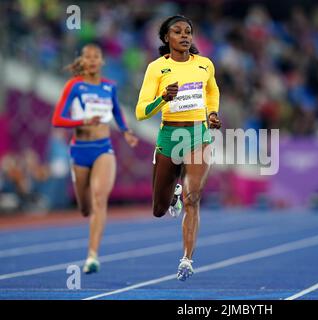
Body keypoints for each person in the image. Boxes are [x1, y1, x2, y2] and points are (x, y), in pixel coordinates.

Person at [135, 15, 221, 281]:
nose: (184, 36)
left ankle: (186, 259)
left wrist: (213, 113)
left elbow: (212, 91)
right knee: (159, 209)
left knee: (192, 198)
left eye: (188, 32)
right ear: (166, 38)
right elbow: (140, 112)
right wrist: (163, 98)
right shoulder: (156, 68)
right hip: (169, 136)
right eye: (177, 31)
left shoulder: (204, 65)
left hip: (198, 134)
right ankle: (172, 193)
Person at [52, 44, 138, 274]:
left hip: (103, 149)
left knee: (100, 199)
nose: (91, 60)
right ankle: (85, 209)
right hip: (80, 150)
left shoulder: (110, 86)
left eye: (96, 57)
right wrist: (82, 122)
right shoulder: (75, 86)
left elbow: (118, 112)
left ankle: (92, 255)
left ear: (102, 61)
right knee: (85, 206)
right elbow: (58, 119)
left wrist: (126, 131)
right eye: (87, 57)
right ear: (83, 61)